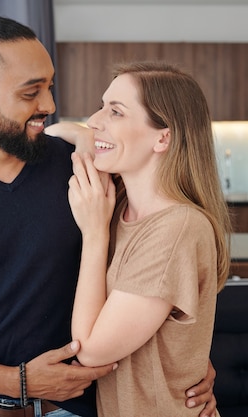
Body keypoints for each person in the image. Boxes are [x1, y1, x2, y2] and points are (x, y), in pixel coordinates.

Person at [0, 1, 217, 417]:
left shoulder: (89, 173)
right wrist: (18, 381)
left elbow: (159, 270)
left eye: (49, 86)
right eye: (31, 92)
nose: (48, 104)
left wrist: (188, 363)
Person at [46, 61, 232, 416]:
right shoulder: (119, 206)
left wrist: (95, 233)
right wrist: (90, 135)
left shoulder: (177, 228)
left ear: (163, 137)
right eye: (102, 106)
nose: (95, 118)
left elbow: (89, 350)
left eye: (116, 111)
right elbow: (61, 135)